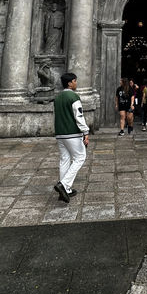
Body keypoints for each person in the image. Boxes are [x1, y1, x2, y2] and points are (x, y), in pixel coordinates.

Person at [54, 72, 90, 203]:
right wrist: (86, 132)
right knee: (80, 157)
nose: (76, 83)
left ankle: (66, 189)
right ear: (69, 83)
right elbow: (79, 116)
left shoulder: (58, 98)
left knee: (65, 159)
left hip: (60, 133)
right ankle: (63, 184)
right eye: (75, 81)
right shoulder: (73, 96)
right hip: (72, 133)